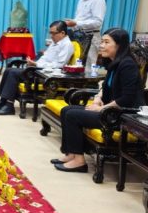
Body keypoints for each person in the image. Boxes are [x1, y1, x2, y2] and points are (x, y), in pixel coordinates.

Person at [54, 28, 143, 172]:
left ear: (119, 45)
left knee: (72, 115)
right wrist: (97, 99)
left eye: (106, 42)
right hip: (111, 111)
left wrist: (102, 108)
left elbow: (127, 98)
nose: (101, 45)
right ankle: (71, 153)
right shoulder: (114, 63)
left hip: (122, 116)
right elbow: (106, 86)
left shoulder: (128, 65)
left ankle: (79, 161)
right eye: (101, 41)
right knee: (66, 110)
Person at [0, 20, 74, 115]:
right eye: (50, 33)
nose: (51, 36)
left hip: (46, 75)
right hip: (39, 69)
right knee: (8, 70)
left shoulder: (67, 45)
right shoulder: (56, 42)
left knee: (13, 73)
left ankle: (9, 106)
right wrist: (34, 63)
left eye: (53, 33)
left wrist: (36, 65)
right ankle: (3, 100)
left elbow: (59, 65)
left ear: (62, 33)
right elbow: (45, 58)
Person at [64, 0, 106, 66]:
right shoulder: (81, 0)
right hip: (78, 36)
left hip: (91, 37)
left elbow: (98, 22)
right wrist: (72, 22)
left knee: (88, 66)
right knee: (76, 65)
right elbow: (80, 19)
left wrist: (76, 23)